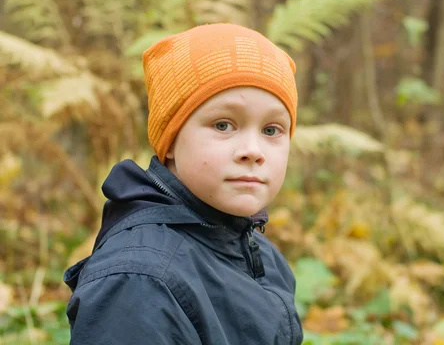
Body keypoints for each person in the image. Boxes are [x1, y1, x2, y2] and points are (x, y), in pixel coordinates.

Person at [63, 23, 304, 344]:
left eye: (271, 130)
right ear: (172, 140)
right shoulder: (139, 280)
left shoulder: (258, 252)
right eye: (223, 124)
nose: (253, 151)